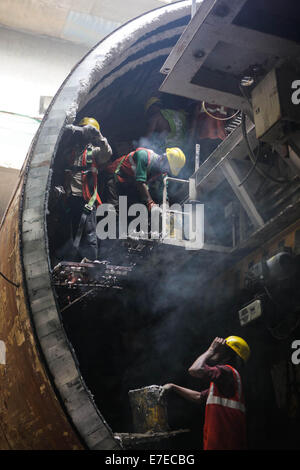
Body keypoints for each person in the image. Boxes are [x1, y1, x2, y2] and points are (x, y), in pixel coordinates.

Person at [163, 336, 250, 450]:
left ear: (228, 354)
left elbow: (195, 369)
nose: (217, 349)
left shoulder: (227, 372)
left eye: (220, 348)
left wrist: (210, 350)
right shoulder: (227, 381)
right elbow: (199, 397)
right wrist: (173, 387)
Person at [54, 116, 112, 262]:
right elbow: (59, 165)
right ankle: (67, 261)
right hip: (69, 199)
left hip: (86, 200)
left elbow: (107, 154)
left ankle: (90, 263)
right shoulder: (70, 152)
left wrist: (99, 136)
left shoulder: (95, 151)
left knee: (89, 234)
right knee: (68, 232)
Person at [102, 146, 186, 213]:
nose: (168, 171)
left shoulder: (162, 174)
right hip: (115, 178)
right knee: (114, 211)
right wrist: (151, 204)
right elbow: (140, 182)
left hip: (128, 185)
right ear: (163, 159)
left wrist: (165, 209)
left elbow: (162, 193)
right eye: (169, 168)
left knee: (134, 210)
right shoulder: (144, 155)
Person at [188, 101, 237, 166]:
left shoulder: (201, 102)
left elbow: (194, 123)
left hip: (205, 138)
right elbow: (233, 117)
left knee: (207, 166)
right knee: (221, 164)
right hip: (219, 137)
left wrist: (190, 142)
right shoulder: (226, 100)